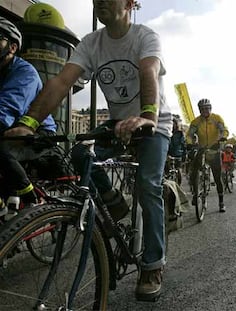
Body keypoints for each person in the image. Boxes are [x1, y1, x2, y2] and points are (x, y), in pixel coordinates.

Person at [5, 0, 172, 301]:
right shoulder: (91, 43)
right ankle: (114, 204)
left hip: (153, 121)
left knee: (148, 185)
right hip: (119, 122)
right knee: (81, 155)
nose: (100, 3)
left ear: (131, 3)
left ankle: (153, 264)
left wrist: (147, 116)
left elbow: (149, 70)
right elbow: (61, 81)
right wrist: (29, 123)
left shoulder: (145, 36)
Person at [0, 17, 57, 215]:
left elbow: (5, 111)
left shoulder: (25, 73)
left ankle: (31, 198)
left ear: (12, 47)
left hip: (39, 133)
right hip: (11, 131)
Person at [187, 98, 229, 212]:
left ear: (210, 108)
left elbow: (224, 129)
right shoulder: (196, 121)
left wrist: (223, 137)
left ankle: (221, 202)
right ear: (199, 110)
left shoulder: (216, 118)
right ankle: (196, 194)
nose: (205, 110)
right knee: (194, 170)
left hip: (214, 149)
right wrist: (190, 143)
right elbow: (189, 134)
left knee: (217, 177)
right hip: (202, 149)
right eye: (202, 109)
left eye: (207, 108)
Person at [166, 115, 186, 184]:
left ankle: (178, 184)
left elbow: (183, 144)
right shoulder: (166, 132)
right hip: (168, 154)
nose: (172, 125)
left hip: (177, 154)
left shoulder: (179, 134)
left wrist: (184, 155)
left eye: (173, 123)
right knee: (167, 170)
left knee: (178, 170)